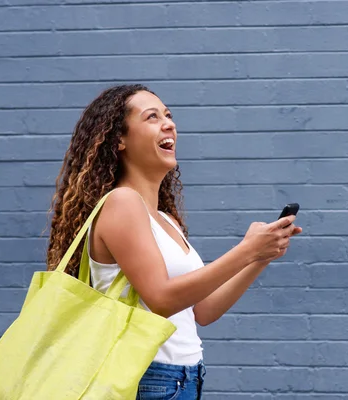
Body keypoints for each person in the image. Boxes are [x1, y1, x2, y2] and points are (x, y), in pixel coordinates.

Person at [46, 84, 302, 399]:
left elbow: (203, 311)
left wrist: (258, 257)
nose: (169, 123)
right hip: (148, 378)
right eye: (152, 117)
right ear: (120, 140)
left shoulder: (164, 219)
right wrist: (246, 249)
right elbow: (162, 301)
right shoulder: (122, 203)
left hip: (186, 377)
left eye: (168, 115)